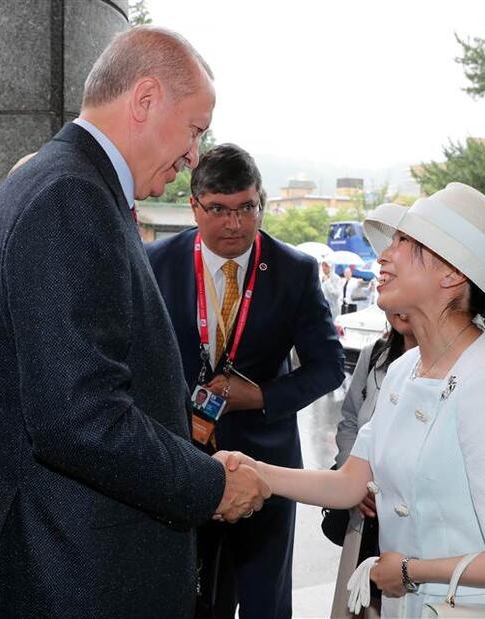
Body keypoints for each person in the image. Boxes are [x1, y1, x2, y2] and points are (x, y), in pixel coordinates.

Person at [0, 26, 270, 619]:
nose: (194, 157)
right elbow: (77, 418)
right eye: (195, 130)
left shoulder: (69, 184)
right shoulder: (68, 196)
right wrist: (209, 485)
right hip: (66, 574)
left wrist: (194, 457)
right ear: (145, 98)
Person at [225, 185, 485, 618]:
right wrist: (254, 470)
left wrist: (409, 570)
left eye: (405, 242)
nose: (383, 256)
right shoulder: (405, 368)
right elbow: (349, 483)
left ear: (452, 276)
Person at [146, 143, 345, 619]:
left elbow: (328, 367)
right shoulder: (154, 263)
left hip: (266, 466)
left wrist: (261, 396)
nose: (234, 224)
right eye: (218, 209)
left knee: (264, 601)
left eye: (246, 208)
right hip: (180, 461)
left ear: (262, 202)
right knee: (189, 598)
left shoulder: (292, 270)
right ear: (194, 206)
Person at [331, 310, 417, 619]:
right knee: (360, 600)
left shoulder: (458, 366)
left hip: (413, 524)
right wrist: (355, 479)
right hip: (366, 514)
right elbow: (350, 422)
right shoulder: (375, 356)